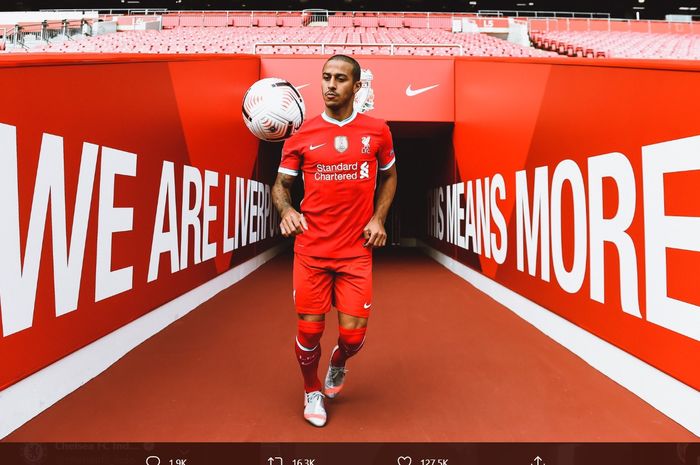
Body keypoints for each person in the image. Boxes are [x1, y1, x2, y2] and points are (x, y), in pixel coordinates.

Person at [271, 55, 398, 427]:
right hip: (311, 250)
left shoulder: (378, 131)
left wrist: (379, 218)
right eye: (326, 77)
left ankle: (339, 361)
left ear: (356, 87)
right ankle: (312, 391)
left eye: (340, 79)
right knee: (309, 330)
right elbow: (282, 185)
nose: (330, 85)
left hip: (355, 252)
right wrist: (286, 212)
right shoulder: (301, 135)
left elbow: (389, 177)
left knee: (353, 337)